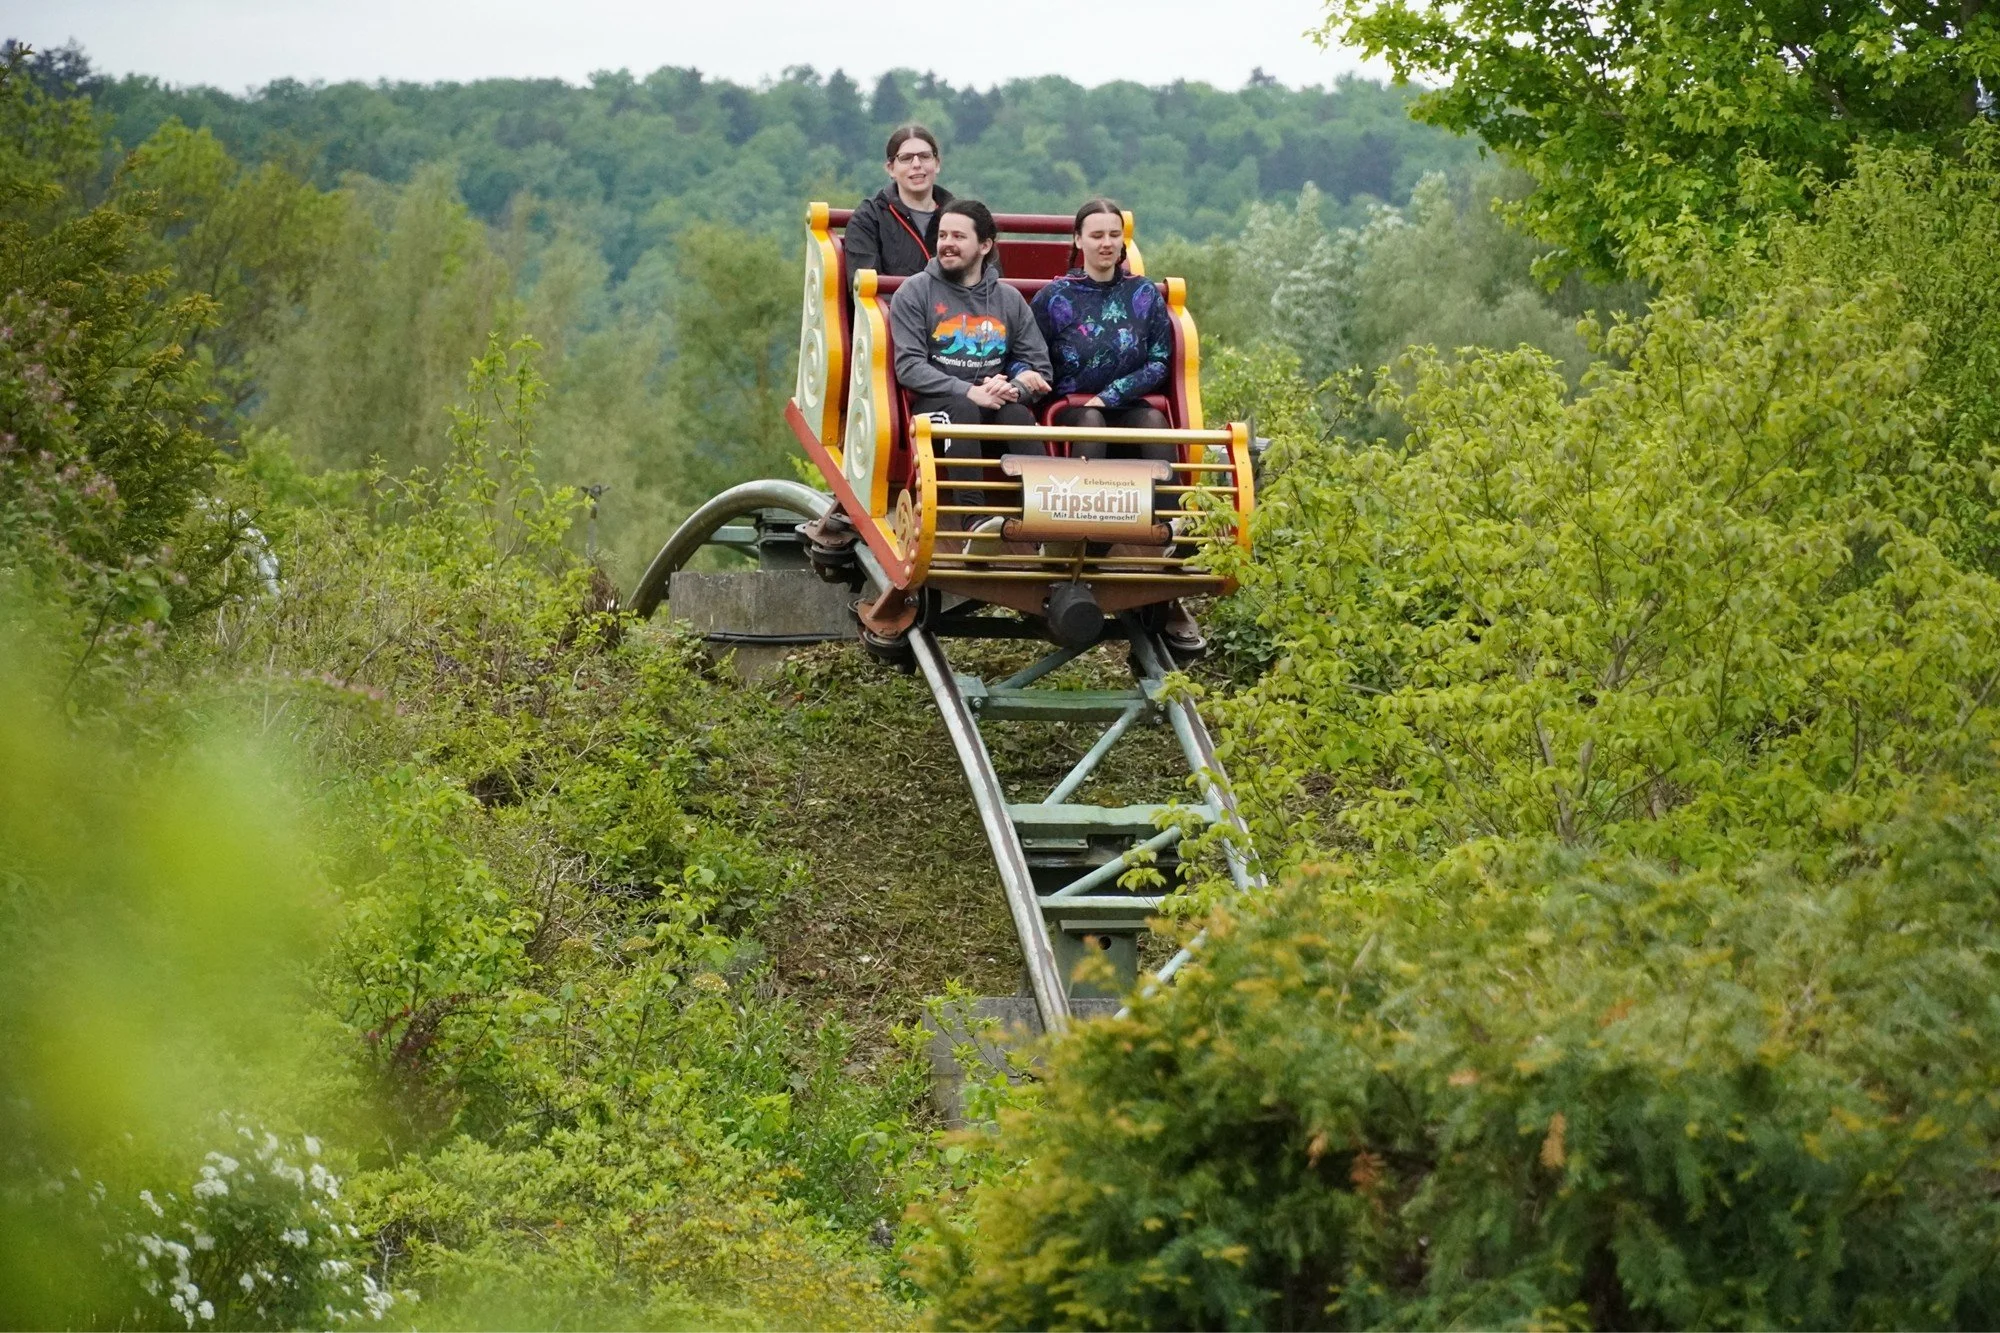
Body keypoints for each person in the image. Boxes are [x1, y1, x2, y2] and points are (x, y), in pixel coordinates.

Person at [1031, 197, 1202, 654]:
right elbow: (1034, 357)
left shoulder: (1143, 294)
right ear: (1078, 240)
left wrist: (1115, 393)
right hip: (1071, 405)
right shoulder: (1053, 298)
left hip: (1124, 401)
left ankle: (1173, 527)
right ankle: (1087, 531)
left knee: (1151, 419)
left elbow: (1161, 361)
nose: (1106, 243)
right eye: (1097, 235)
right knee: (1088, 419)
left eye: (1113, 235)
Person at [889, 199, 1051, 519]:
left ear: (984, 245)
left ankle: (1047, 518)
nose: (947, 244)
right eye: (943, 236)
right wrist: (968, 391)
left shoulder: (1009, 299)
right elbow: (908, 366)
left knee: (1018, 414)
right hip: (936, 404)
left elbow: (1039, 366)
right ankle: (974, 520)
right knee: (961, 409)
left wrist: (1015, 387)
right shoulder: (914, 292)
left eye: (959, 237)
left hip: (993, 400)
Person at [844, 124, 953, 278]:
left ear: (937, 164)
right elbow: (865, 287)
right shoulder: (869, 218)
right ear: (890, 168)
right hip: (896, 302)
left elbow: (988, 282)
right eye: (906, 158)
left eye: (925, 156)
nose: (916, 164)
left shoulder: (961, 216)